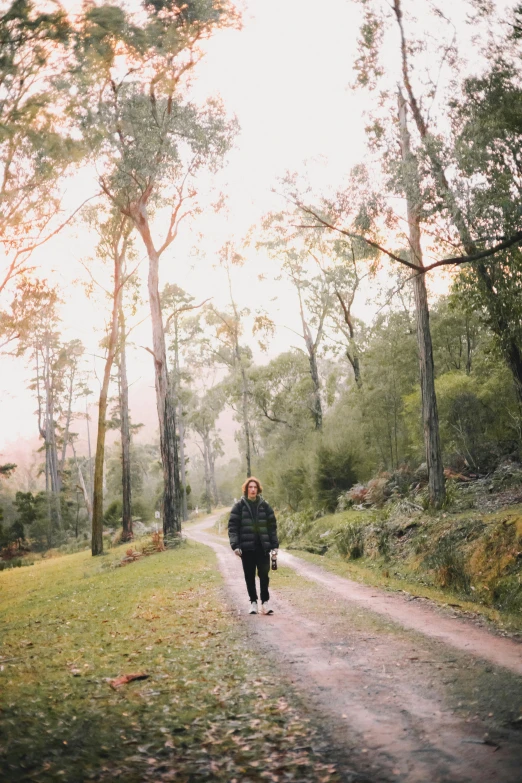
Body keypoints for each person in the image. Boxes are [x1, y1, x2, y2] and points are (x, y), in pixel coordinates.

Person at [228, 476, 279, 615]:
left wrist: (274, 546)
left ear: (258, 489)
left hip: (263, 548)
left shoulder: (265, 506)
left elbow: (272, 527)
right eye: (250, 487)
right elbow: (233, 527)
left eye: (255, 487)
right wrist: (235, 545)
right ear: (246, 489)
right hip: (247, 549)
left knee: (264, 575)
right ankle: (253, 603)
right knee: (249, 576)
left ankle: (265, 603)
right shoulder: (239, 507)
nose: (252, 489)